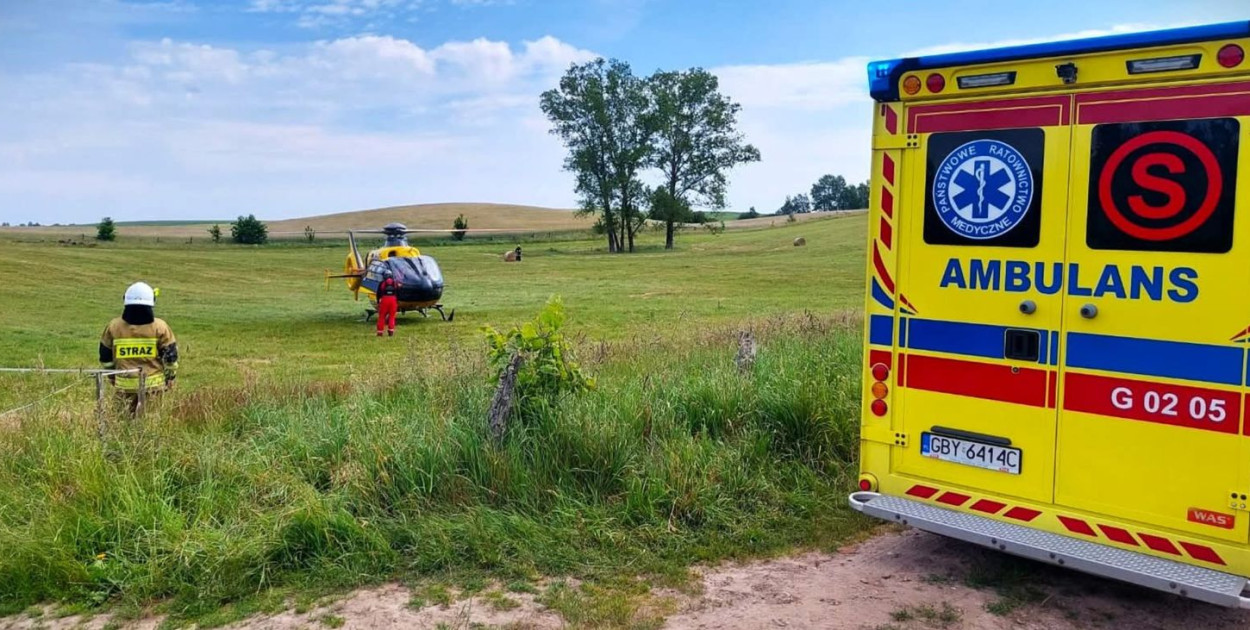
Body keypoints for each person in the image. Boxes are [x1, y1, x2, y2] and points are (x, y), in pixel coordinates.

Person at [99, 282, 178, 415]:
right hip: (154, 388)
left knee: (122, 423)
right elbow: (170, 358)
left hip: (124, 387)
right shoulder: (160, 327)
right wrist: (170, 377)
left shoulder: (114, 326)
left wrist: (112, 377)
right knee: (150, 424)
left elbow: (105, 357)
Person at [376, 269, 400, 337]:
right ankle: (391, 332)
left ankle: (380, 333)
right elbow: (398, 293)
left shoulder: (382, 283)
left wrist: (378, 301)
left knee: (381, 317)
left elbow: (378, 293)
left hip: (384, 300)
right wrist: (397, 301)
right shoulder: (395, 283)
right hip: (393, 300)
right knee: (392, 317)